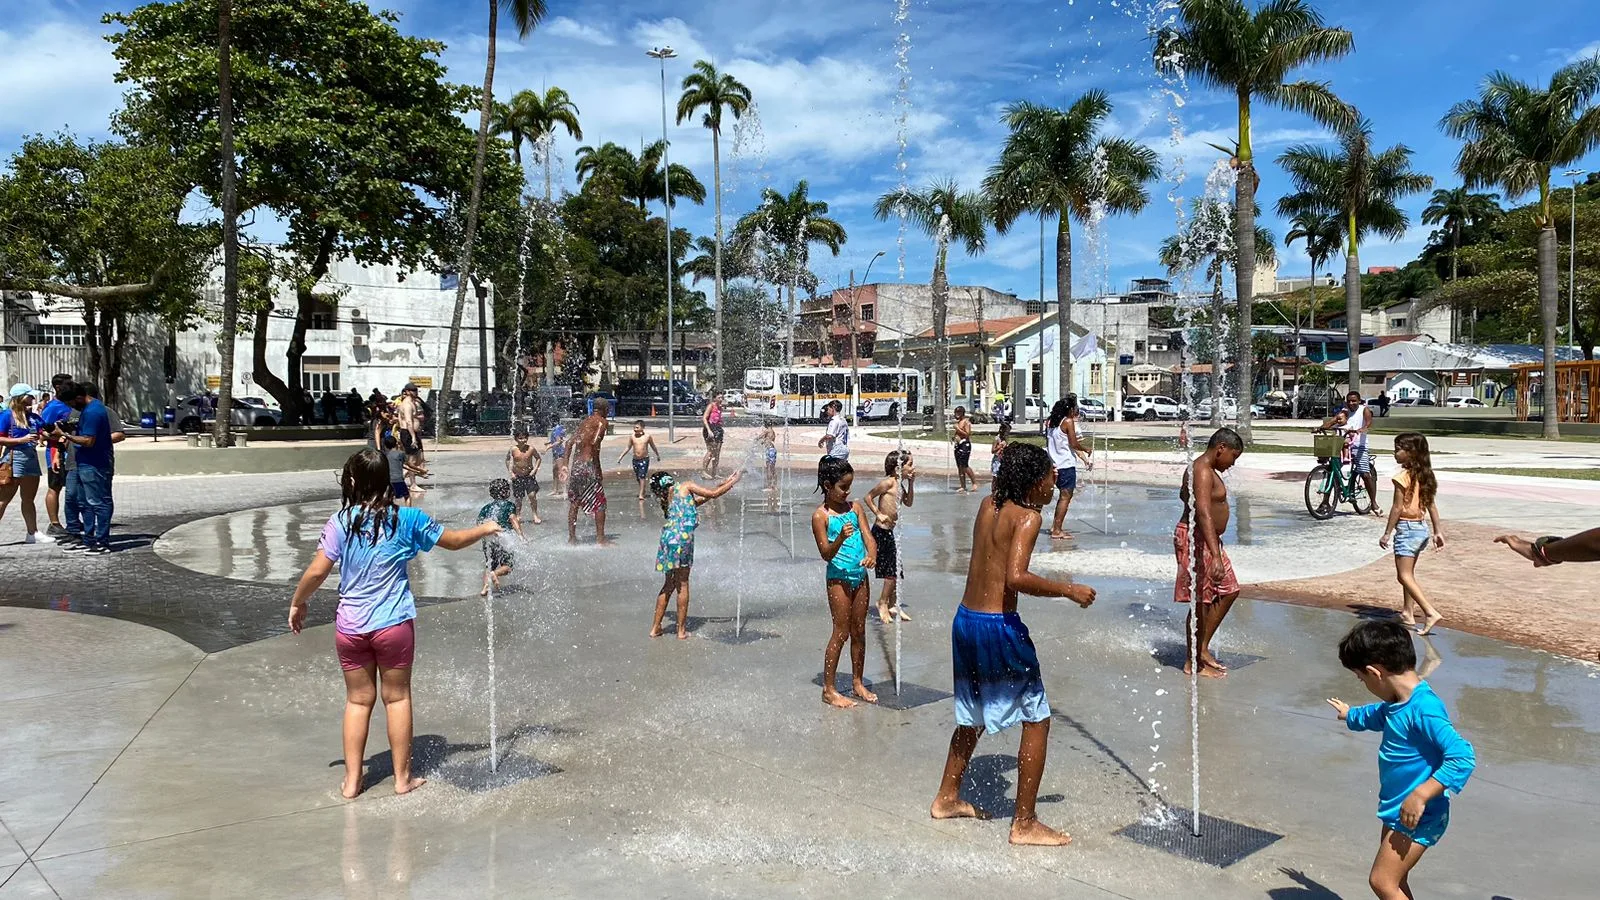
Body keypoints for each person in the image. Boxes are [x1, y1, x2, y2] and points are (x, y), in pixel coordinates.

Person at [288, 449, 500, 799]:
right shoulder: (409, 519)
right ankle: (402, 780)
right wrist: (485, 529)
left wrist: (298, 603)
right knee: (397, 698)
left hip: (351, 628)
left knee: (358, 701)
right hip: (393, 627)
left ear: (353, 481)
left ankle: (353, 781)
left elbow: (316, 571)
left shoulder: (340, 522)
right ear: (388, 479)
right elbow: (454, 541)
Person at [930, 441, 1096, 847]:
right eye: (1049, 475)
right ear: (1033, 481)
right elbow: (1017, 577)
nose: (1054, 480)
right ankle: (1024, 822)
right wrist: (1068, 589)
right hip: (997, 628)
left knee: (973, 714)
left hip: (966, 620)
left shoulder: (989, 504)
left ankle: (947, 797)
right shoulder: (1028, 518)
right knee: (1037, 718)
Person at [1327, 620, 1476, 899]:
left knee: (1382, 882)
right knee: (1395, 881)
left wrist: (1421, 794)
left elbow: (1462, 757)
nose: (1364, 684)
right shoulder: (1398, 702)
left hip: (1420, 813)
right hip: (1399, 810)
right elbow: (1378, 714)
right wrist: (1351, 715)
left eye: (1362, 679)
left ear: (1374, 672)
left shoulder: (1424, 708)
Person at [1174, 427, 1244, 678]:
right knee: (1201, 602)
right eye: (1233, 456)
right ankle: (1193, 662)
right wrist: (1215, 555)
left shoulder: (1203, 470)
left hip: (1207, 539)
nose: (1232, 463)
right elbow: (1202, 512)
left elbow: (1186, 496)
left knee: (1229, 590)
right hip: (1198, 539)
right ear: (1221, 448)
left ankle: (1201, 648)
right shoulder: (1202, 471)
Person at [811, 456, 877, 708]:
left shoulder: (855, 508)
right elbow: (826, 554)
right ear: (827, 485)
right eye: (843, 486)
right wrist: (839, 537)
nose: (848, 491)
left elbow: (869, 537)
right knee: (841, 632)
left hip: (860, 576)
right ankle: (829, 689)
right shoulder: (821, 516)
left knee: (859, 631)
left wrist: (871, 555)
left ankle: (857, 682)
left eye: (850, 485)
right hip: (838, 578)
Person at [649, 470, 742, 640]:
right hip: (682, 541)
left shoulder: (668, 499)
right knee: (682, 585)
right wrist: (734, 481)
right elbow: (714, 495)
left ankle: (655, 628)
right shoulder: (686, 485)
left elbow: (700, 500)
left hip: (667, 540)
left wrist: (724, 483)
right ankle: (681, 631)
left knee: (669, 584)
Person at [1379, 433, 1445, 635]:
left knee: (1403, 575)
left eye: (1398, 449)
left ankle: (1430, 612)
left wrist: (1387, 533)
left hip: (1407, 529)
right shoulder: (1425, 475)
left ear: (1411, 453)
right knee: (1409, 574)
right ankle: (1407, 612)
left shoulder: (1401, 477)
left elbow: (1397, 508)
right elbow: (1432, 506)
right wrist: (1437, 531)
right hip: (1421, 529)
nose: (1395, 453)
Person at [56, 382, 128, 552]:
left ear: (79, 397)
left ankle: (102, 542)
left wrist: (65, 434)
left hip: (96, 464)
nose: (70, 406)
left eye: (71, 403)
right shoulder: (85, 411)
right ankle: (89, 540)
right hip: (82, 463)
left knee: (99, 502)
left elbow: (89, 441)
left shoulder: (94, 411)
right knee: (84, 502)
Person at [864, 450, 915, 624]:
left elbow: (908, 503)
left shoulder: (899, 484)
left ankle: (893, 604)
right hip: (880, 531)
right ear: (898, 467)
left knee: (897, 571)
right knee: (891, 571)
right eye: (909, 464)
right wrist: (878, 513)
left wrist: (911, 483)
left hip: (888, 532)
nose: (912, 468)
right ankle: (882, 602)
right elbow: (868, 497)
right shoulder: (888, 483)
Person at [0, 384, 50, 543]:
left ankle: (32, 532)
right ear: (20, 398)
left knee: (28, 498)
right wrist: (20, 440)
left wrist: (53, 433)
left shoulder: (33, 417)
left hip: (31, 458)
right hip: (14, 458)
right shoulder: (7, 416)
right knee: (4, 499)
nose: (33, 399)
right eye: (29, 396)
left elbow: (46, 430)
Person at [1322, 391, 1381, 517]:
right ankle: (1325, 502)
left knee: (1365, 474)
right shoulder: (1344, 411)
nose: (1351, 403)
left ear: (1359, 401)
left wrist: (1363, 429)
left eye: (1354, 401)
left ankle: (1374, 503)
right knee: (1332, 470)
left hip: (1359, 445)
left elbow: (1368, 422)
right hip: (1343, 444)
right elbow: (1333, 421)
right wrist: (1322, 427)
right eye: (1349, 401)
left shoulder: (1364, 410)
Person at [1045, 396, 1092, 540]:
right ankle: (1057, 530)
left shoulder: (1051, 422)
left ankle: (1055, 526)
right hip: (1066, 465)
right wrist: (1086, 449)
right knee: (1065, 498)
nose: (1076, 411)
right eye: (1075, 408)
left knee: (1061, 497)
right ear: (1070, 409)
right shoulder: (1067, 421)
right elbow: (1074, 443)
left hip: (1052, 464)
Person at [566, 397, 610, 545]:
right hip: (589, 466)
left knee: (575, 502)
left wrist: (565, 465)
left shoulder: (584, 422)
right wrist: (597, 468)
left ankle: (572, 538)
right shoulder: (602, 422)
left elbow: (569, 443)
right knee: (599, 504)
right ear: (605, 409)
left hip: (576, 466)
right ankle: (601, 539)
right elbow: (594, 443)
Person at [38, 373, 74, 538]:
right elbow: (42, 431)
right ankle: (54, 523)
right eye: (69, 384)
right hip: (56, 453)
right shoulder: (52, 408)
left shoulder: (71, 405)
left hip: (72, 453)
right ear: (58, 387)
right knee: (55, 487)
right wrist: (58, 437)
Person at [478, 478, 524, 596]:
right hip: (503, 537)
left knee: (489, 564)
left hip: (488, 538)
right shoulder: (509, 505)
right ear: (506, 492)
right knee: (508, 566)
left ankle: (484, 588)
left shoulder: (486, 508)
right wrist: (521, 536)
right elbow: (513, 520)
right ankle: (496, 574)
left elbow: (480, 523)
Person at [394, 384, 429, 494]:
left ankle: (403, 475)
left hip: (412, 433)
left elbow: (400, 418)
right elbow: (408, 422)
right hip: (409, 434)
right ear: (407, 391)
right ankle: (412, 484)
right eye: (413, 390)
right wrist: (413, 437)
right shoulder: (407, 405)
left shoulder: (413, 403)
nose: (416, 392)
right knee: (412, 461)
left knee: (419, 459)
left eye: (416, 390)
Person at [505, 426, 544, 524]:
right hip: (517, 476)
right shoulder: (513, 449)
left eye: (525, 438)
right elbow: (507, 459)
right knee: (518, 498)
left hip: (529, 476)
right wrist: (511, 472)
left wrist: (535, 470)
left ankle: (535, 514)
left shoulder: (531, 449)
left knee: (532, 495)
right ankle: (518, 515)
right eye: (520, 438)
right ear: (516, 439)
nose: (523, 440)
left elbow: (538, 458)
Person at [617, 421, 661, 501]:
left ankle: (641, 494)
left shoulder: (647, 437)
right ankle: (642, 489)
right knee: (638, 477)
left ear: (642, 428)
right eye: (634, 427)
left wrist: (657, 455)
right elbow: (628, 447)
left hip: (644, 459)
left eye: (637, 427)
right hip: (635, 460)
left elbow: (653, 446)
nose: (635, 429)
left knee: (642, 476)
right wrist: (621, 457)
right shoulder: (632, 437)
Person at [382, 435, 418, 506]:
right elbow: (409, 464)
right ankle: (408, 512)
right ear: (396, 444)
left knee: (388, 497)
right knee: (407, 496)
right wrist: (420, 470)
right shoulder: (400, 453)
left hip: (388, 481)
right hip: (398, 480)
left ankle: (386, 512)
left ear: (385, 446)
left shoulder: (384, 455)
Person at [952, 406, 976, 493]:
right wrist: (954, 437)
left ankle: (974, 483)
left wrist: (957, 429)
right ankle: (963, 486)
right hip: (958, 445)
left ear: (962, 413)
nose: (956, 415)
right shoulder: (959, 422)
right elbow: (958, 433)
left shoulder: (966, 422)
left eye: (958, 413)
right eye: (956, 413)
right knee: (959, 466)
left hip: (965, 445)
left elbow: (967, 434)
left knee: (964, 465)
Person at [701, 395, 725, 477]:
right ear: (715, 398)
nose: (721, 399)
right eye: (719, 398)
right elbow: (704, 418)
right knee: (711, 451)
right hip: (709, 429)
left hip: (718, 430)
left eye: (722, 398)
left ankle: (714, 472)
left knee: (717, 452)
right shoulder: (711, 406)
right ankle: (704, 471)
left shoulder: (720, 408)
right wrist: (709, 430)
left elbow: (718, 420)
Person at [547, 421, 569, 499]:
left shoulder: (557, 429)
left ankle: (565, 491)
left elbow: (559, 441)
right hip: (556, 453)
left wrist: (548, 447)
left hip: (560, 453)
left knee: (561, 472)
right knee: (555, 471)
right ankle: (555, 490)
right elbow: (559, 439)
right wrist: (549, 443)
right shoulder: (558, 429)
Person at [758, 419, 778, 489]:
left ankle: (769, 486)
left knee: (768, 469)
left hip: (769, 450)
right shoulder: (772, 432)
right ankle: (775, 485)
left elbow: (758, 437)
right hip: (773, 450)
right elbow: (768, 440)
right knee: (773, 469)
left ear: (766, 425)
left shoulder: (767, 431)